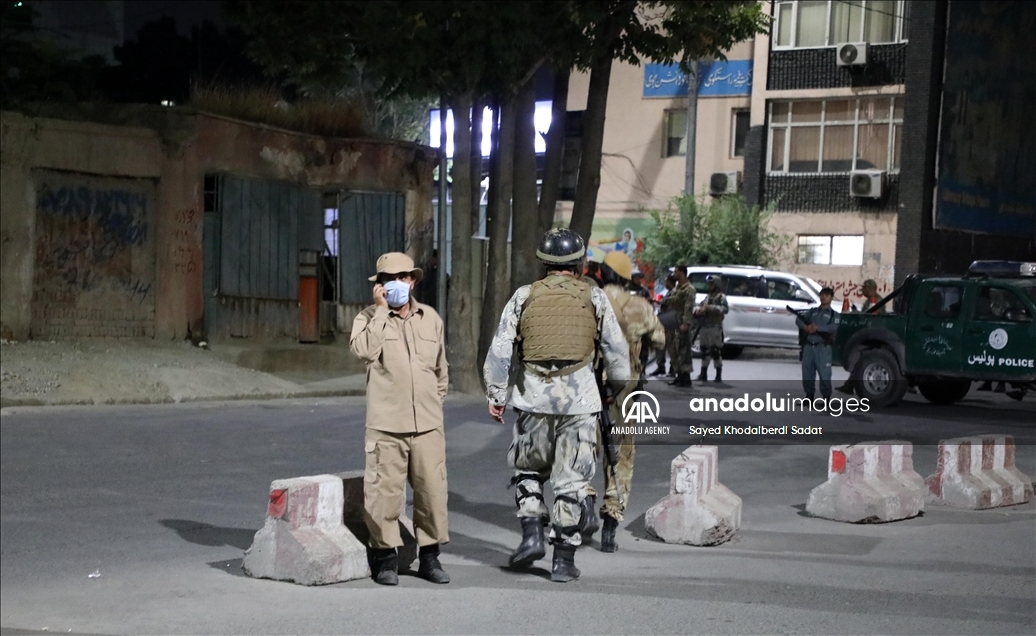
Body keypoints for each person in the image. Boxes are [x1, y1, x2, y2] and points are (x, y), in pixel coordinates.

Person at [483, 228, 630, 583]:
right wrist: (614, 388)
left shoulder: (523, 296)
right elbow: (617, 353)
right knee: (572, 481)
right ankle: (563, 560)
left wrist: (497, 396)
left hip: (533, 400)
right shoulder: (594, 297)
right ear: (579, 265)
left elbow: (500, 351)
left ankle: (532, 534)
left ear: (544, 263)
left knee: (528, 471)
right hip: (579, 404)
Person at [349, 252, 450, 586]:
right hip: (386, 425)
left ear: (413, 281)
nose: (397, 284)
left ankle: (430, 558)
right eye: (389, 279)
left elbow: (441, 370)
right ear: (379, 286)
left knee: (432, 493)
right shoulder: (367, 318)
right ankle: (386, 560)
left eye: (403, 277)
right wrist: (381, 310)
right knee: (384, 495)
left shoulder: (430, 318)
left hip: (427, 426)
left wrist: (433, 402)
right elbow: (364, 351)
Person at [586, 251, 665, 553]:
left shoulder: (587, 301)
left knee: (583, 448)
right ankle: (610, 526)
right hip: (624, 391)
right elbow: (660, 339)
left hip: (588, 387)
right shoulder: (639, 306)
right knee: (621, 455)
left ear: (602, 273)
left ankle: (585, 500)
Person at [836, 279, 885, 394]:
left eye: (864, 288)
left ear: (871, 289)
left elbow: (872, 317)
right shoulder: (870, 300)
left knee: (860, 359)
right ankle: (849, 385)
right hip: (870, 334)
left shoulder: (876, 301)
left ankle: (849, 385)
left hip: (872, 336)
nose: (862, 290)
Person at [795, 287, 840, 400]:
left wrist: (817, 328)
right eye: (822, 295)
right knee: (807, 373)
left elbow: (833, 327)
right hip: (809, 346)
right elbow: (799, 320)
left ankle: (826, 397)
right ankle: (809, 396)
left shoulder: (834, 314)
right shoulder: (812, 311)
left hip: (823, 348)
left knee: (825, 374)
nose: (823, 297)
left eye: (827, 295)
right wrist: (806, 328)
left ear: (831, 298)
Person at [693, 275, 729, 383]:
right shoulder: (707, 297)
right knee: (704, 350)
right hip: (705, 326)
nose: (709, 286)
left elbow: (725, 309)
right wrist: (698, 310)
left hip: (715, 327)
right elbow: (699, 305)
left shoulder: (721, 297)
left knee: (715, 350)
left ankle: (718, 374)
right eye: (708, 284)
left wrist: (711, 308)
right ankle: (703, 373)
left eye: (711, 284)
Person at [668, 266, 696, 387]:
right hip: (673, 321)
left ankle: (686, 376)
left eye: (676, 271)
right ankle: (679, 374)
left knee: (683, 349)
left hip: (681, 322)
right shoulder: (677, 288)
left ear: (682, 273)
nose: (674, 273)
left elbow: (688, 306)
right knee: (674, 349)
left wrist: (686, 323)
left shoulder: (689, 289)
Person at [650, 275, 678, 377]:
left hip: (671, 323)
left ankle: (673, 368)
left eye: (666, 282)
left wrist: (657, 301)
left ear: (670, 282)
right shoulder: (669, 292)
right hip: (664, 322)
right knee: (660, 345)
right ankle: (661, 367)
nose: (665, 284)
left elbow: (668, 302)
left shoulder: (675, 292)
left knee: (671, 347)